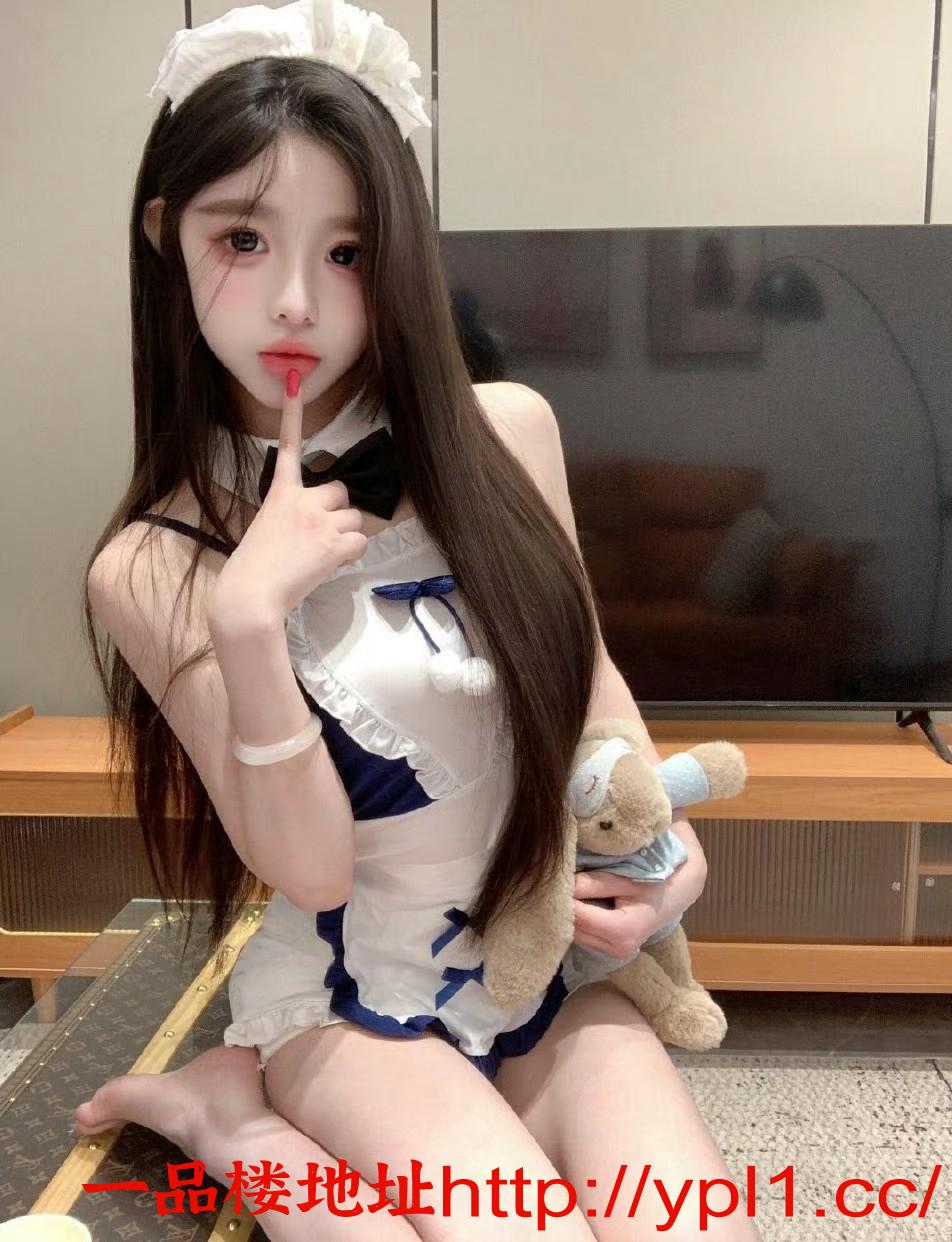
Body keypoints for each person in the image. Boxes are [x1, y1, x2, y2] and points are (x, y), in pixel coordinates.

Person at [72, 2, 761, 1238]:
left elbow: (588, 684)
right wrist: (248, 617)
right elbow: (311, 869)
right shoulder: (153, 564)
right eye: (243, 238)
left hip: (544, 956)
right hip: (353, 992)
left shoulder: (509, 433)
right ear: (167, 236)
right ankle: (227, 1118)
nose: (295, 301)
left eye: (348, 252)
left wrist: (662, 853)